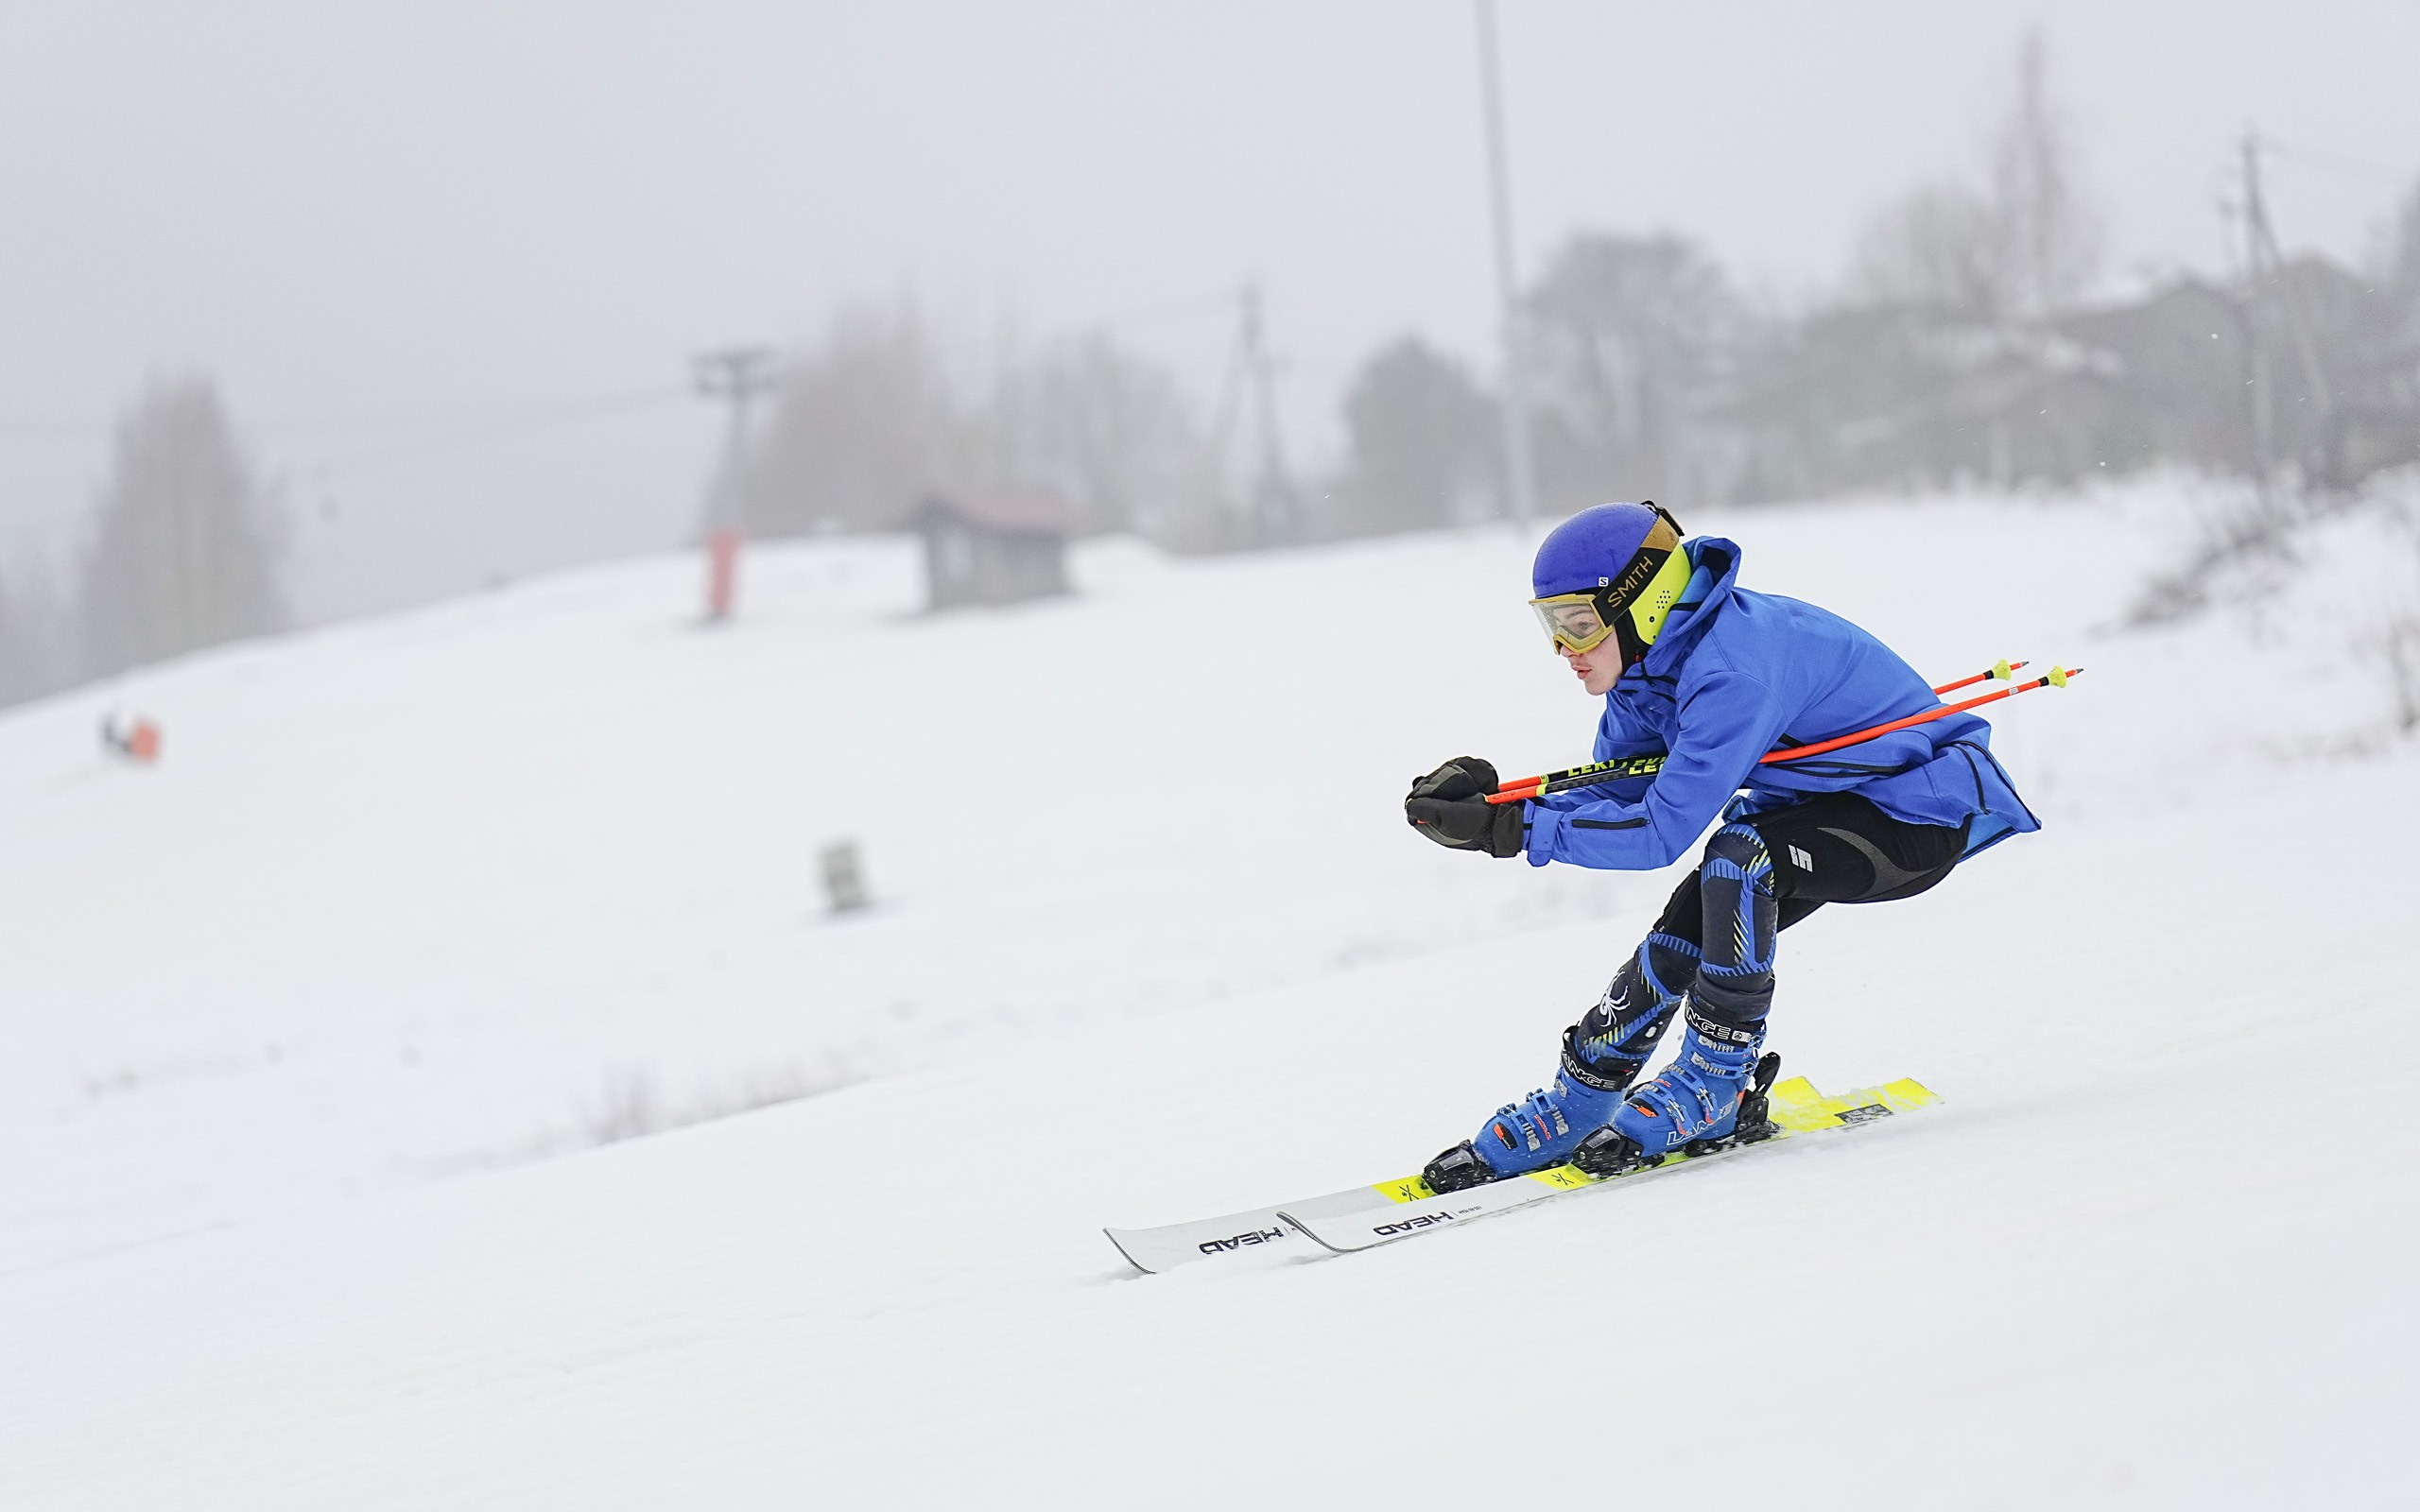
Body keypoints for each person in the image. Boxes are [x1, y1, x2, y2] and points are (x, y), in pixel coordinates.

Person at [1403, 501, 2038, 1191]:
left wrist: (1513, 832)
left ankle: (1715, 1086)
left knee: (1739, 859)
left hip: (1916, 817)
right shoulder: (1644, 674)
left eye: (1579, 624)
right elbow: (1619, 794)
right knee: (1698, 913)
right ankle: (1585, 1095)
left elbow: (1657, 833)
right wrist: (1496, 809)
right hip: (1815, 810)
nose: (1564, 648)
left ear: (1644, 603)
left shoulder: (1731, 670)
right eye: (1551, 624)